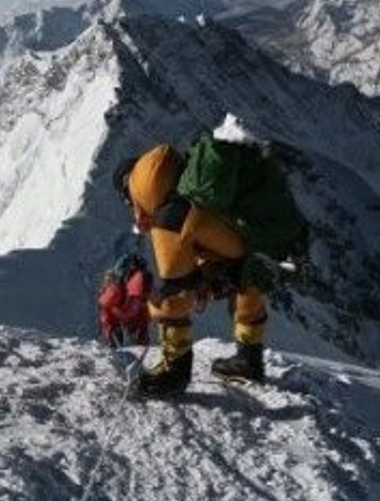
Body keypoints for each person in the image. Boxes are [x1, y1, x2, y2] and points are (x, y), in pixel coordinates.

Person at [113, 143, 269, 397]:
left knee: (169, 296)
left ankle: (174, 373)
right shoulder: (189, 186)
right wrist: (205, 275)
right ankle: (249, 359)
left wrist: (155, 305)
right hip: (255, 241)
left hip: (226, 247)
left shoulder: (167, 218)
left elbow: (176, 291)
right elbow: (210, 236)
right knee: (247, 277)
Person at [98, 252, 151, 348]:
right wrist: (110, 331)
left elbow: (143, 311)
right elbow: (105, 309)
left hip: (127, 315)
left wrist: (142, 334)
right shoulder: (116, 289)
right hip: (119, 316)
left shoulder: (137, 289)